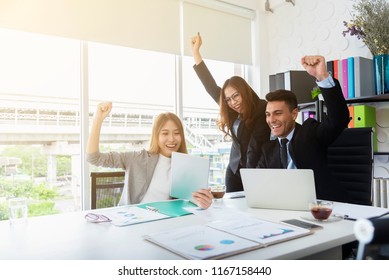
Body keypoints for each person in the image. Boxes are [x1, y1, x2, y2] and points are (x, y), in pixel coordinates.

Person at [257, 55, 350, 202]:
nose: (271, 120)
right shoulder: (268, 149)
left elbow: (339, 119)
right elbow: (258, 183)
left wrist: (322, 76)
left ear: (294, 114)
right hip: (285, 208)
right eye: (268, 114)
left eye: (278, 113)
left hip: (320, 207)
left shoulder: (310, 132)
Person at [86, 102, 213, 209]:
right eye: (165, 133)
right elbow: (94, 158)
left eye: (176, 133)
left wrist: (202, 202)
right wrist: (98, 119)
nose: (172, 139)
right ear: (156, 136)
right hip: (133, 221)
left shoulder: (187, 166)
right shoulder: (137, 158)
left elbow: (189, 204)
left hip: (166, 224)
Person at [190, 33, 270, 193]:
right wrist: (196, 54)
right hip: (233, 171)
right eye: (228, 100)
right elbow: (211, 86)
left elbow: (254, 147)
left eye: (236, 96)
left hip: (254, 172)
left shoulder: (263, 108)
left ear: (244, 91)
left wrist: (250, 177)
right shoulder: (233, 113)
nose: (233, 103)